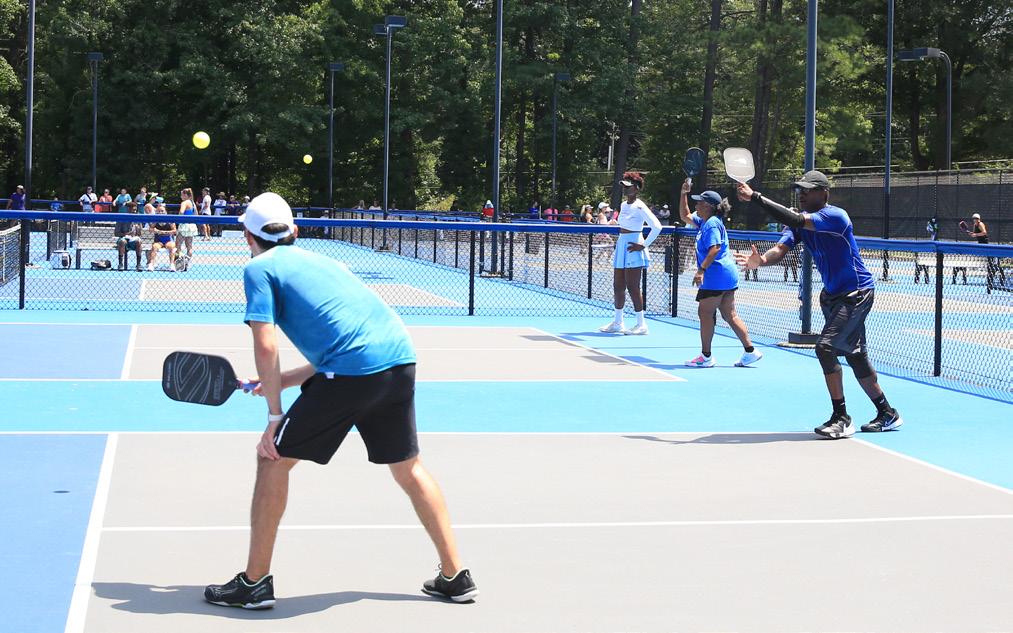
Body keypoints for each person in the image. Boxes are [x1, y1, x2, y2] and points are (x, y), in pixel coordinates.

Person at [202, 192, 478, 610]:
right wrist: (281, 382)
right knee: (408, 468)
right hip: (400, 360)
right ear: (294, 231)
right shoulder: (326, 262)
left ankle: (254, 583)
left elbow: (266, 345)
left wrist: (274, 417)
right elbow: (344, 341)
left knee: (272, 459)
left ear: (247, 237)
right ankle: (455, 575)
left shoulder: (258, 268)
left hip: (354, 371)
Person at [735, 170, 903, 439]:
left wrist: (755, 197)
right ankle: (887, 412)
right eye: (799, 190)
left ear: (824, 193)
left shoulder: (835, 216)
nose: (801, 194)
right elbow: (781, 249)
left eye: (808, 190)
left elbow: (795, 219)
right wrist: (762, 261)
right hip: (833, 296)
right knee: (855, 356)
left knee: (825, 348)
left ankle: (841, 417)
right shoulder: (800, 224)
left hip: (857, 292)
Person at [679, 182, 762, 368]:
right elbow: (685, 216)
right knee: (729, 314)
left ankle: (706, 357)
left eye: (699, 202)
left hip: (715, 276)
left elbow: (715, 248)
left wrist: (701, 270)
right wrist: (683, 193)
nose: (696, 205)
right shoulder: (705, 221)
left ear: (708, 206)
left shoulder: (711, 225)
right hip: (726, 276)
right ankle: (750, 351)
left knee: (705, 312)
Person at [598, 172, 662, 336]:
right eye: (624, 186)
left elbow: (657, 226)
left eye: (629, 186)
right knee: (618, 285)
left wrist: (643, 245)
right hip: (622, 244)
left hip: (634, 245)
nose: (625, 189)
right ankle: (618, 322)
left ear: (637, 188)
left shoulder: (640, 206)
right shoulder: (623, 205)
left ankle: (641, 324)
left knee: (633, 286)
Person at [966, 212, 1007, 288]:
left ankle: (999, 275)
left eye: (976, 218)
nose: (975, 220)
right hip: (981, 245)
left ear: (979, 219)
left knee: (991, 262)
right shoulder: (975, 225)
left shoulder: (980, 224)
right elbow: (975, 234)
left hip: (985, 245)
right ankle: (993, 273)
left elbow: (984, 232)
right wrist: (972, 234)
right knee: (990, 262)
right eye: (974, 218)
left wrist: (975, 234)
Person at [114, 201, 144, 271]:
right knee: (122, 241)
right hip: (124, 238)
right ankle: (120, 264)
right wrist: (126, 234)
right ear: (128, 209)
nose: (135, 212)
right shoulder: (121, 218)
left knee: (138, 241)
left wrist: (138, 229)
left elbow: (140, 234)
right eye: (133, 210)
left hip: (133, 240)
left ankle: (138, 264)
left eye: (135, 210)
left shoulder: (137, 219)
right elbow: (116, 233)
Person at [147, 206, 177, 271]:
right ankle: (151, 264)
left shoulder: (170, 220)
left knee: (172, 246)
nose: (161, 212)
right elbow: (150, 229)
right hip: (158, 241)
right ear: (156, 212)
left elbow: (175, 231)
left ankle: (172, 264)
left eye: (162, 211)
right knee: (154, 247)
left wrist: (165, 232)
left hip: (168, 240)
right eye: (159, 211)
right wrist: (156, 231)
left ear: (166, 212)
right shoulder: (155, 220)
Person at [176, 188, 199, 260]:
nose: (181, 197)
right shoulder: (193, 203)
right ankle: (187, 261)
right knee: (189, 246)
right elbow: (196, 214)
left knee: (178, 244)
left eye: (181, 195)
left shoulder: (184, 203)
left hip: (184, 225)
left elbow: (181, 212)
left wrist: (178, 220)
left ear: (185, 195)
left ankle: (179, 260)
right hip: (192, 226)